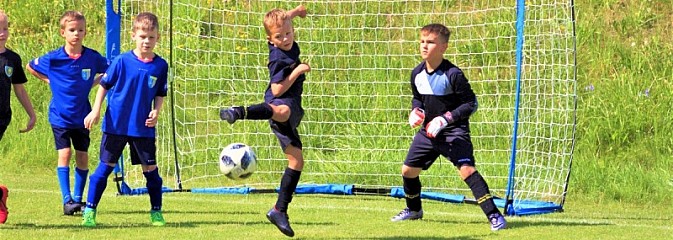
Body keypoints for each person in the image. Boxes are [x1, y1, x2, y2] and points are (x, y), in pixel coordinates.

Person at [391, 23, 507, 231]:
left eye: (431, 42)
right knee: (408, 171)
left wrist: (445, 119)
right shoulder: (416, 73)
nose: (424, 46)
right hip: (428, 133)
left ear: (444, 47)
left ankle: (494, 216)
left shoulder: (453, 74)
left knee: (467, 170)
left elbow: (471, 103)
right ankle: (414, 210)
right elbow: (417, 99)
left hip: (454, 131)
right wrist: (416, 111)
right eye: (422, 42)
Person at [219, 5, 309, 237]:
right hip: (282, 100)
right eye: (279, 37)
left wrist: (296, 11)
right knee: (282, 112)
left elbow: (284, 20)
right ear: (270, 40)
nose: (285, 38)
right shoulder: (278, 57)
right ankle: (240, 112)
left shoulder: (283, 29)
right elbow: (278, 89)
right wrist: (298, 70)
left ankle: (279, 210)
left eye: (288, 33)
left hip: (293, 104)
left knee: (296, 160)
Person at [82, 12, 168, 227]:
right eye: (142, 36)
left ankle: (156, 212)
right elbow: (103, 86)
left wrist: (156, 112)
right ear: (133, 36)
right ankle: (90, 211)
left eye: (151, 37)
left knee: (151, 172)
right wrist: (96, 110)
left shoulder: (161, 66)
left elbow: (160, 93)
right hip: (116, 125)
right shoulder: (122, 61)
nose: (146, 41)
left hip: (143, 127)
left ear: (157, 38)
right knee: (105, 168)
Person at [26, 10, 108, 216]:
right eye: (72, 30)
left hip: (82, 116)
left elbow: (111, 70)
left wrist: (94, 82)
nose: (76, 34)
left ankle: (78, 200)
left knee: (82, 156)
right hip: (60, 116)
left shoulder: (92, 57)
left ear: (85, 32)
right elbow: (30, 66)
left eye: (80, 30)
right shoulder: (54, 58)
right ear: (63, 32)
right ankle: (67, 200)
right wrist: (48, 79)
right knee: (65, 153)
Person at [0, 9, 38, 224]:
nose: (2, 33)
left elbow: (20, 90)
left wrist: (31, 115)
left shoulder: (12, 59)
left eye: (5, 28)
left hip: (1, 117)